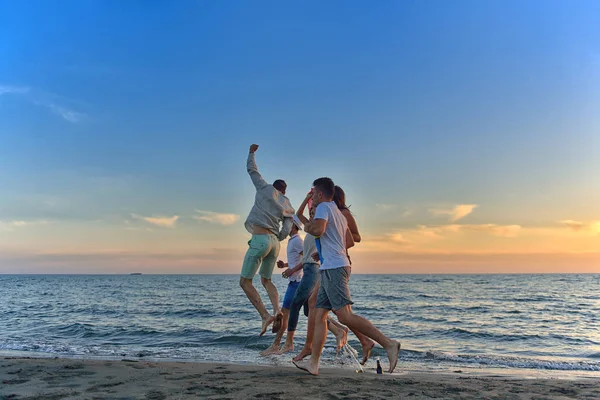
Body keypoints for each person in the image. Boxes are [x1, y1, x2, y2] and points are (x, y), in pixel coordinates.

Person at [293, 177, 401, 376]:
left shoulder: (325, 207)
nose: (311, 198)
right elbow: (347, 239)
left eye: (312, 193)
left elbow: (316, 229)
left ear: (319, 193)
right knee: (318, 314)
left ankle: (388, 344)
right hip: (330, 267)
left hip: (334, 268)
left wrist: (311, 230)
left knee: (344, 315)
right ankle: (313, 364)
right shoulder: (338, 213)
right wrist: (327, 249)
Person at [239, 144, 295, 336]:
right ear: (285, 190)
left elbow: (252, 170)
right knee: (266, 280)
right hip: (275, 244)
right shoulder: (287, 204)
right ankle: (277, 310)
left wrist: (251, 152)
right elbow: (287, 228)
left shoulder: (264, 187)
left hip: (260, 238)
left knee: (245, 282)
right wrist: (278, 237)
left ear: (274, 186)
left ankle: (265, 316)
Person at [260, 216, 304, 356]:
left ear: (293, 226)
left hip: (297, 283)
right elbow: (299, 260)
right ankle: (339, 330)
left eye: (287, 224)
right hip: (296, 282)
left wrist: (292, 270)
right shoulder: (293, 241)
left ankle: (277, 345)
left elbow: (307, 259)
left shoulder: (297, 241)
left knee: (284, 315)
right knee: (315, 313)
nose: (284, 226)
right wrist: (285, 265)